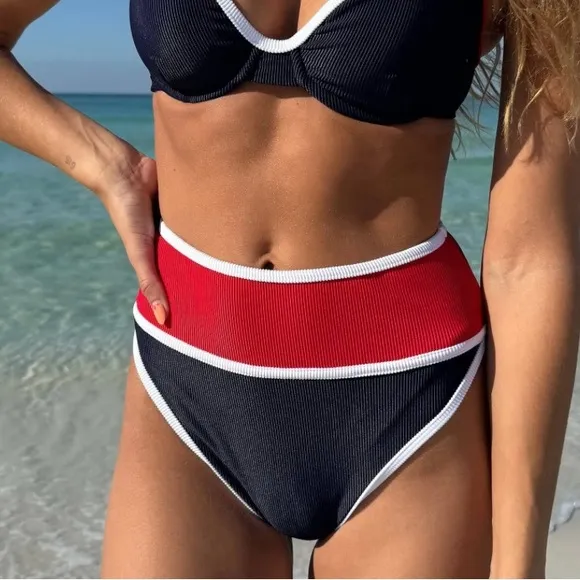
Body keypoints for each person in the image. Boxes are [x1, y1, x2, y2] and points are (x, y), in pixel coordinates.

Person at [1, 0, 579, 577]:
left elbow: (530, 259)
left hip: (414, 401)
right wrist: (104, 165)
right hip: (185, 389)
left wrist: (520, 563)